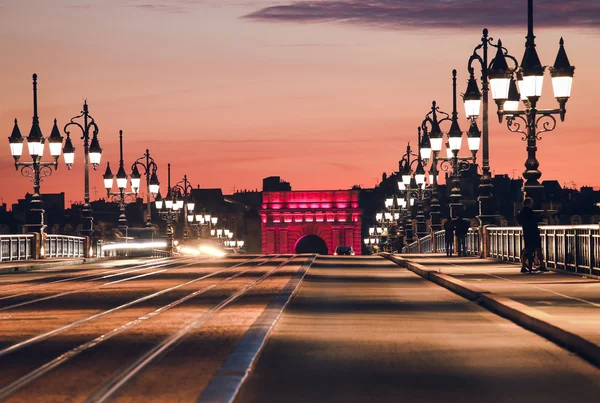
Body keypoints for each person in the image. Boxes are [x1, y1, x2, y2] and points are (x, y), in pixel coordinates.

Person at [516, 198, 548, 273]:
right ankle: (542, 265)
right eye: (531, 203)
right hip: (533, 233)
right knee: (538, 249)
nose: (532, 204)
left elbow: (519, 221)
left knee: (527, 249)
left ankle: (523, 266)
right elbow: (535, 220)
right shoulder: (529, 211)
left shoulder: (521, 212)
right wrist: (543, 215)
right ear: (528, 203)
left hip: (526, 232)